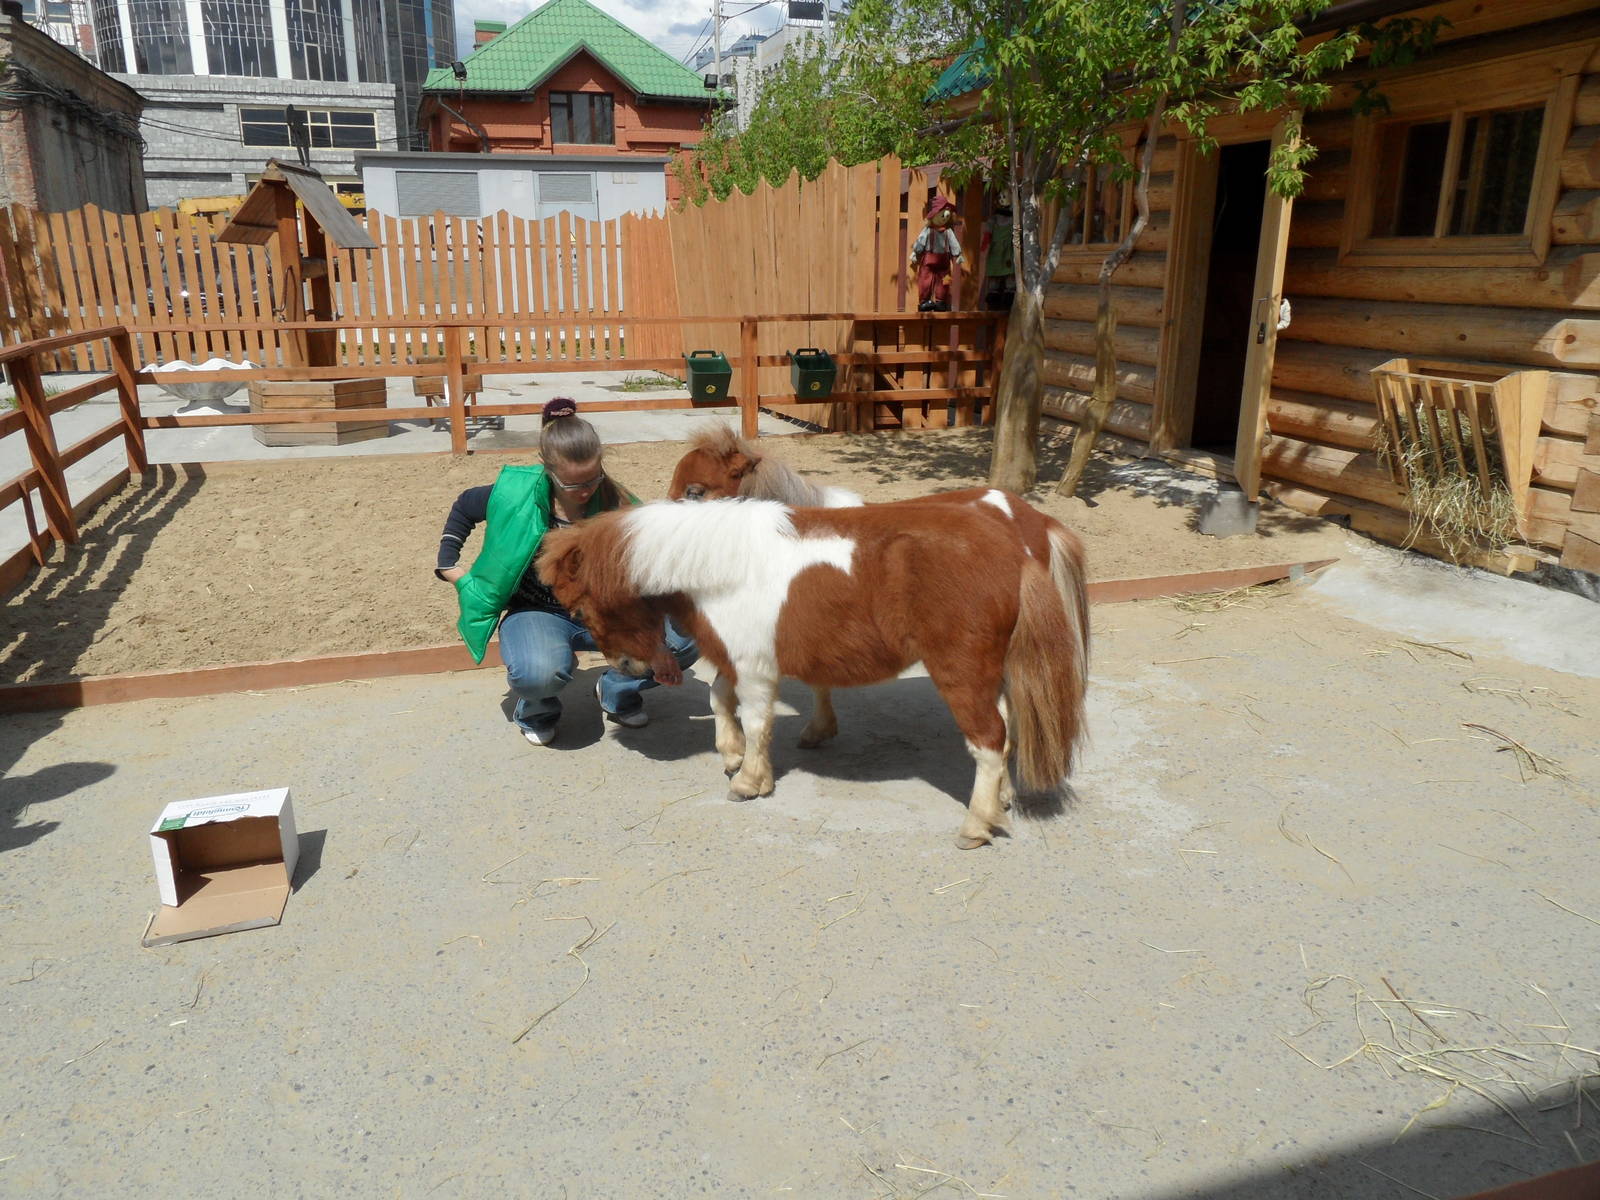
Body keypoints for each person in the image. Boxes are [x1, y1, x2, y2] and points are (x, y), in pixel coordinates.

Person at [434, 397, 698, 746]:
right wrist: (449, 566)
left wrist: (657, 643)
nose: (586, 491)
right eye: (573, 485)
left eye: (593, 478)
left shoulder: (620, 505)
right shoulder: (515, 494)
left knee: (686, 638)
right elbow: (465, 506)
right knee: (538, 672)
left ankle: (616, 691)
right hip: (537, 611)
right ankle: (537, 708)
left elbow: (645, 578)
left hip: (606, 614)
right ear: (548, 468)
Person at [908, 194, 967, 312]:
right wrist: (915, 252)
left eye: (946, 215)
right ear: (934, 215)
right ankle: (924, 301)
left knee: (944, 281)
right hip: (929, 259)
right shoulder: (928, 230)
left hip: (944, 261)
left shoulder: (948, 232)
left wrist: (958, 254)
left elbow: (954, 243)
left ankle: (941, 301)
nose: (945, 217)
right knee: (925, 279)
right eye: (942, 214)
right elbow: (920, 241)